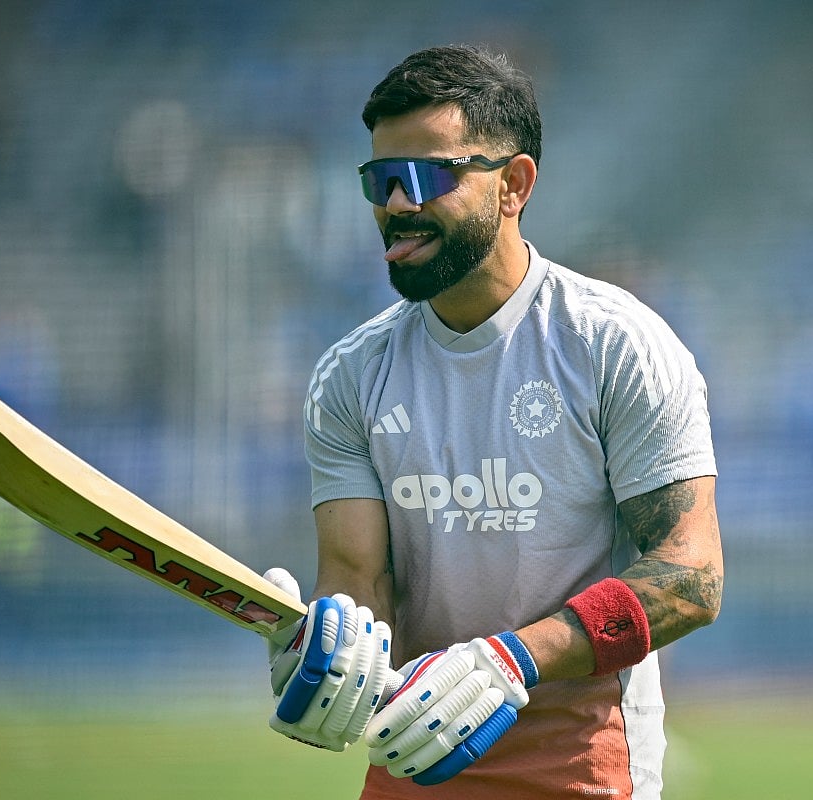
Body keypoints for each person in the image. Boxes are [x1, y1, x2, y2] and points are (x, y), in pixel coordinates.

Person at [263, 44, 723, 799]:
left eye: (427, 177)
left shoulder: (616, 344)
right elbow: (356, 580)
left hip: (582, 762)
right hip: (415, 750)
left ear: (514, 185)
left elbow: (692, 576)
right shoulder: (348, 375)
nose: (397, 205)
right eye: (380, 181)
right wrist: (333, 656)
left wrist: (509, 661)